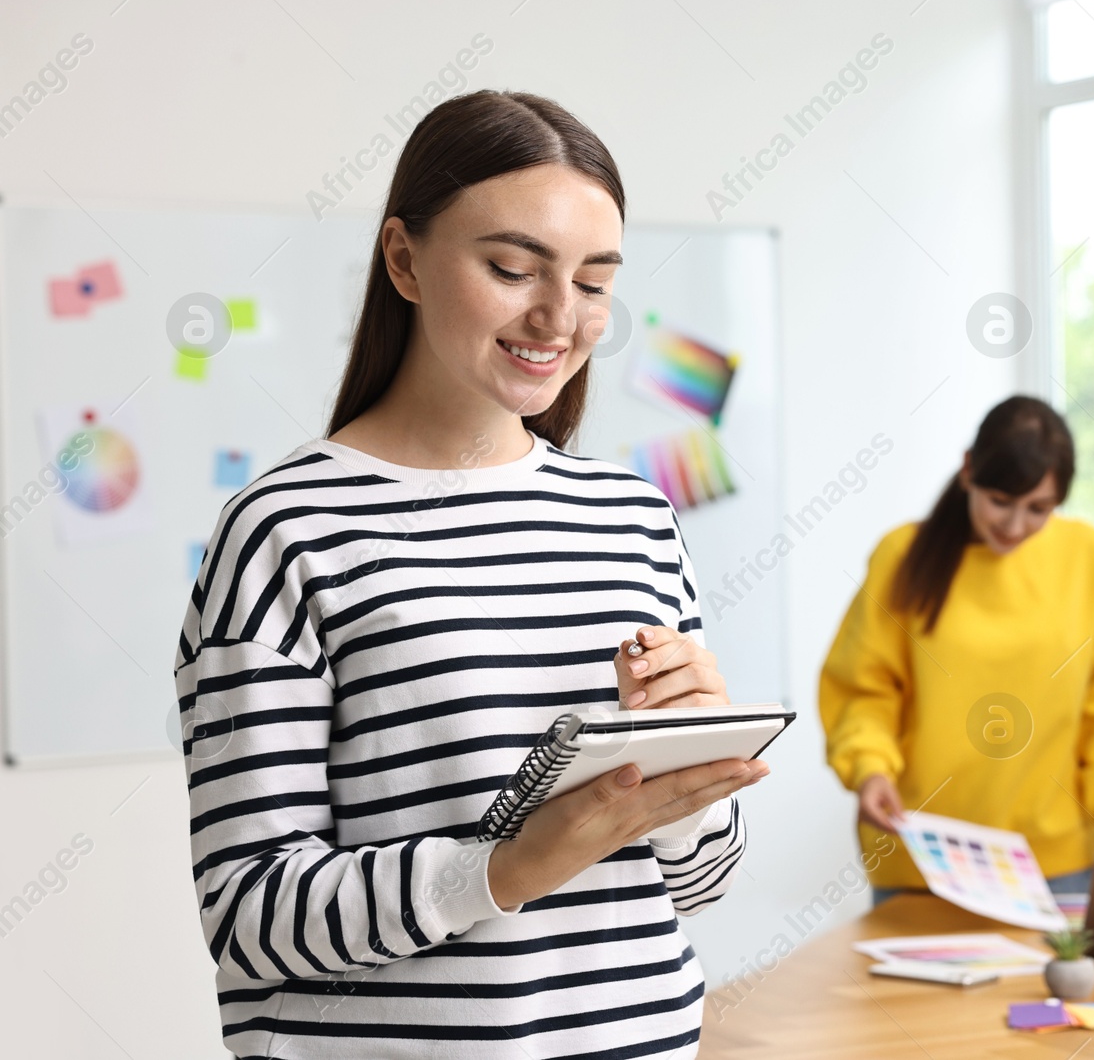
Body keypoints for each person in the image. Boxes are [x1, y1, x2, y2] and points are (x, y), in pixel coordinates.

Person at [174, 90, 766, 1059]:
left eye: (593, 281)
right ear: (403, 258)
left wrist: (694, 783)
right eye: (511, 268)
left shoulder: (630, 516)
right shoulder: (287, 529)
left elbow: (700, 880)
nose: (557, 317)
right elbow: (248, 912)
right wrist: (503, 867)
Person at [818, 396, 1094, 904]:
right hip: (920, 856)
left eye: (1038, 509)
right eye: (1000, 500)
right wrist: (870, 769)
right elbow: (864, 689)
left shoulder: (1090, 557)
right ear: (969, 469)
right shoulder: (902, 556)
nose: (1015, 526)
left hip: (1057, 864)